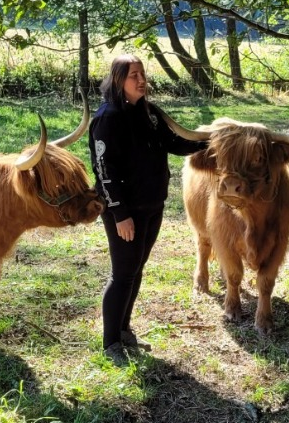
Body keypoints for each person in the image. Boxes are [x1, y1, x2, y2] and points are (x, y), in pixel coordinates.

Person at [89, 54, 207, 366]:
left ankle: (124, 330)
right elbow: (104, 172)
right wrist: (120, 214)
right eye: (134, 75)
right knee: (122, 274)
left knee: (136, 269)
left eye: (142, 74)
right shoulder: (108, 118)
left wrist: (208, 144)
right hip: (127, 212)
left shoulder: (149, 112)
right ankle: (111, 342)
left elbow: (174, 143)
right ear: (118, 80)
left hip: (153, 205)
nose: (142, 80)